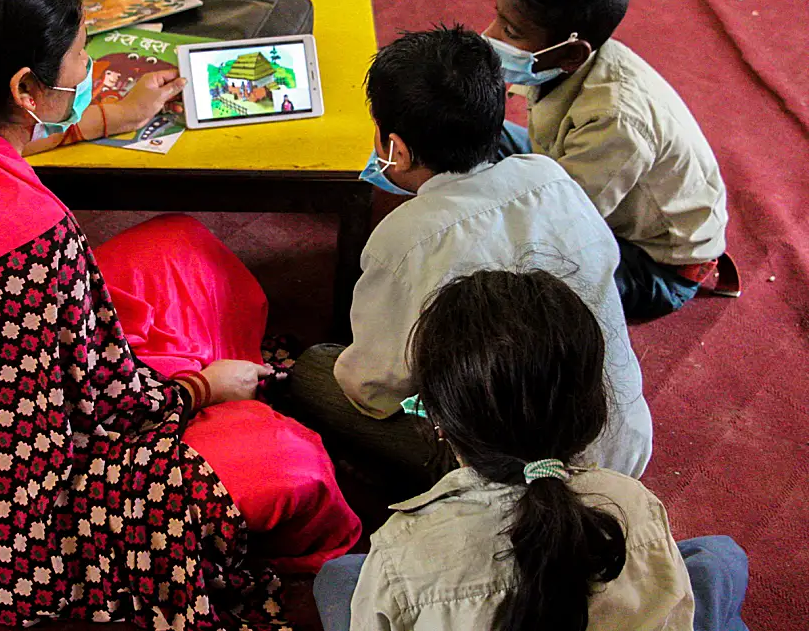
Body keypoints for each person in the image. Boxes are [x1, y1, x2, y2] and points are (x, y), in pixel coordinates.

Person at [0, 0, 358, 628]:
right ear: (23, 87)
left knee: (180, 247)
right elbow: (116, 410)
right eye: (82, 52)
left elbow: (5, 138)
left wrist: (107, 116)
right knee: (287, 461)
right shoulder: (34, 237)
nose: (89, 64)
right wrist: (203, 388)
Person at [287, 25, 651, 498]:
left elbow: (373, 390)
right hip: (622, 448)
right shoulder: (550, 178)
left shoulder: (405, 240)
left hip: (514, 483)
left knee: (315, 370)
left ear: (394, 148)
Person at [312, 270, 750, 631]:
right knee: (720, 558)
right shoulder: (634, 504)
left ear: (441, 423)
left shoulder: (403, 548)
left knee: (339, 577)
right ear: (592, 409)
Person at [483, 0, 735, 318]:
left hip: (651, 267)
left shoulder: (615, 118)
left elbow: (558, 226)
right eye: (498, 19)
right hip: (581, 186)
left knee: (504, 283)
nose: (489, 36)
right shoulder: (573, 62)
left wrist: (467, 228)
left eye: (511, 32)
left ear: (571, 53)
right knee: (472, 129)